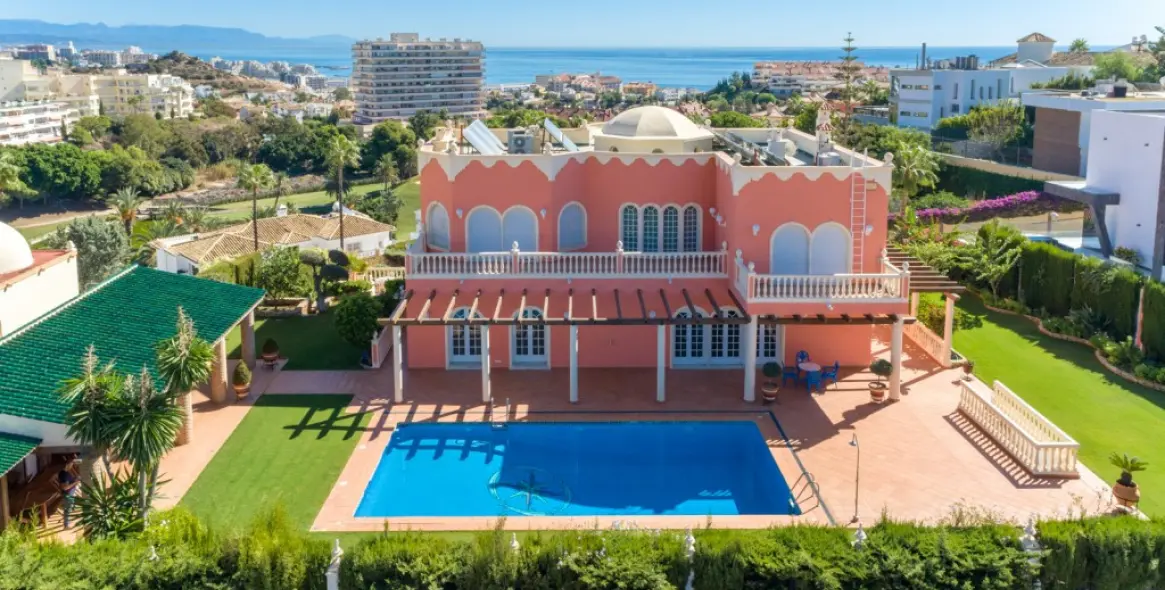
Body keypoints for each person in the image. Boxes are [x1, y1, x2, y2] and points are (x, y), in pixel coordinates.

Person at [55, 456, 80, 529]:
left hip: (70, 494)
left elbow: (68, 483)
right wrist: (75, 483)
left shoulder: (65, 473)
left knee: (69, 509)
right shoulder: (64, 474)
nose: (72, 466)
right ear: (67, 464)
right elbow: (65, 487)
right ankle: (66, 525)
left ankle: (67, 522)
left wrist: (75, 480)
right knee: (67, 510)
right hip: (68, 494)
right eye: (71, 464)